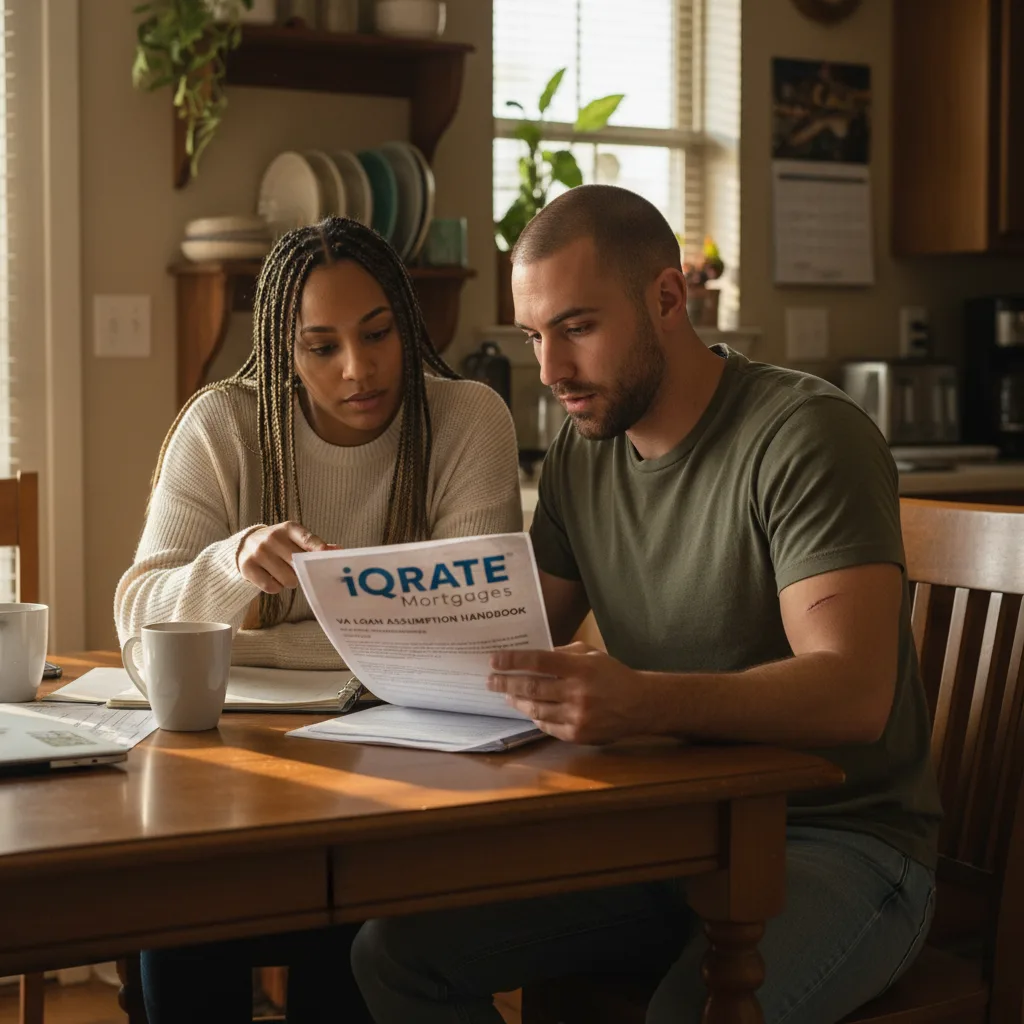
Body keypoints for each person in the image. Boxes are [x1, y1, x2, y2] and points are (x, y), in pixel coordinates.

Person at [350, 185, 942, 1024]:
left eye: (578, 328)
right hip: (664, 832)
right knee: (400, 956)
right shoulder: (580, 456)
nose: (550, 370)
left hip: (837, 843)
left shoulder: (806, 435)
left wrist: (642, 699)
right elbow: (514, 648)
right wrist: (363, 614)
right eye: (534, 336)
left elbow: (853, 693)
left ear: (669, 298)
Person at [114, 216, 521, 1023]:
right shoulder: (221, 425)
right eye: (320, 346)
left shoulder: (470, 417)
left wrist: (260, 640)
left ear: (406, 322)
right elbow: (138, 628)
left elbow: (476, 637)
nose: (358, 369)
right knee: (183, 920)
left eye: (377, 334)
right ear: (281, 351)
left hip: (403, 785)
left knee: (361, 941)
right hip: (231, 781)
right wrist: (234, 567)